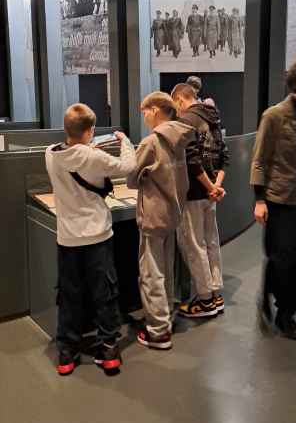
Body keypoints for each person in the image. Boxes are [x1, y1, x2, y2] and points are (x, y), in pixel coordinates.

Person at [45, 104, 136, 376]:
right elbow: (128, 166)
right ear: (90, 131)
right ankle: (108, 350)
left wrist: (87, 148)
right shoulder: (94, 157)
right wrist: (124, 141)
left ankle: (66, 354)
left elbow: (75, 156)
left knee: (69, 295)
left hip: (68, 238)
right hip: (97, 235)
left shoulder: (50, 154)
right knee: (104, 292)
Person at [251, 61, 296, 341]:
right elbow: (260, 160)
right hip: (277, 198)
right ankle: (268, 293)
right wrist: (259, 199)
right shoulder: (274, 115)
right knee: (281, 258)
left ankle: (286, 314)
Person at [127, 92, 195, 350]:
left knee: (151, 273)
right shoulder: (180, 139)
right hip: (173, 213)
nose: (144, 117)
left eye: (145, 111)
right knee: (165, 270)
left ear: (155, 110)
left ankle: (157, 332)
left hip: (153, 216)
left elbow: (132, 179)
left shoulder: (151, 142)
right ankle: (165, 319)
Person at [171, 83, 229, 317]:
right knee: (211, 242)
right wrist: (216, 186)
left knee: (194, 245)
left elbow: (192, 161)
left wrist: (209, 187)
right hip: (211, 192)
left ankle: (204, 301)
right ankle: (216, 294)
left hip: (194, 192)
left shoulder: (185, 119)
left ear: (179, 99)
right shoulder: (213, 118)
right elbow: (223, 156)